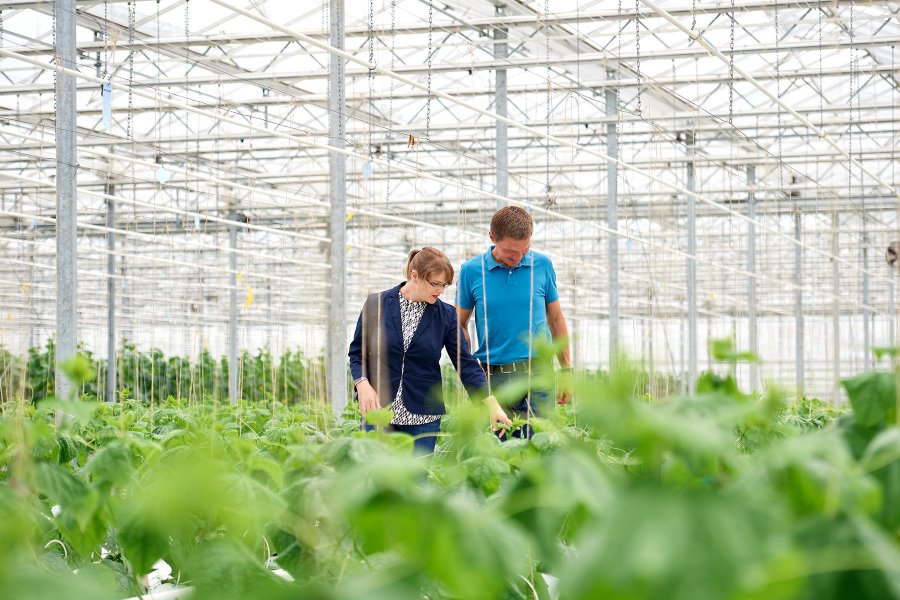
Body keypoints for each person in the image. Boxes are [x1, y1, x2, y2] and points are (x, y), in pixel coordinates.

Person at [348, 247, 511, 454]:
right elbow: (357, 352)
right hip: (378, 411)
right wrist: (362, 385)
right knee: (377, 481)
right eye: (435, 284)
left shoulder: (446, 315)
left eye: (444, 285)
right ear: (414, 276)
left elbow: (466, 364)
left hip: (423, 418)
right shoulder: (376, 304)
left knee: (416, 484)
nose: (440, 290)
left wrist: (492, 404)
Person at [456, 206, 572, 439]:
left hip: (539, 374)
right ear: (492, 238)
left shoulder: (542, 265)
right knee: (500, 447)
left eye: (525, 250)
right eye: (510, 251)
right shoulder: (471, 271)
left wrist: (567, 370)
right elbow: (459, 324)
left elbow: (556, 318)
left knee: (541, 446)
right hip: (494, 378)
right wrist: (471, 371)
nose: (518, 258)